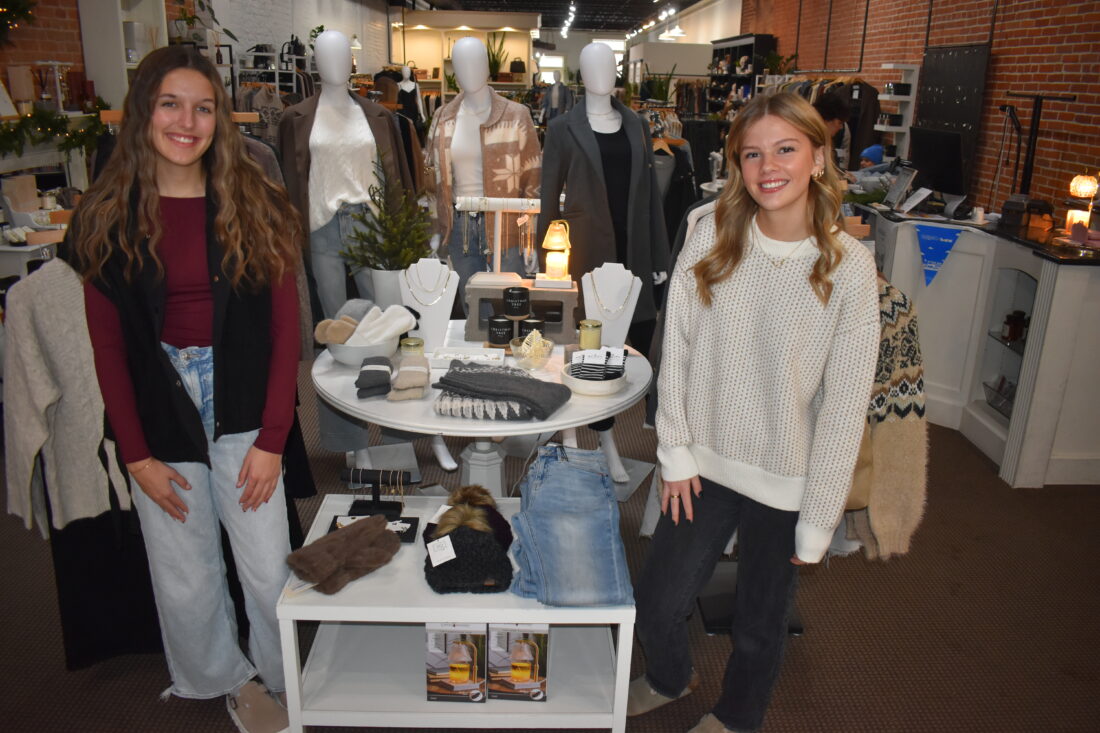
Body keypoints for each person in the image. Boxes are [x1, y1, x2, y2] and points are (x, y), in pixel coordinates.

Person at [68, 46, 301, 733]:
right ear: (144, 111)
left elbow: (285, 328)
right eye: (170, 104)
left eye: (202, 108)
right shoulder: (106, 213)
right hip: (159, 406)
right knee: (185, 569)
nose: (186, 122)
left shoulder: (256, 200)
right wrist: (135, 455)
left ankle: (284, 675)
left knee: (267, 565)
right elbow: (108, 347)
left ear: (219, 119)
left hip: (241, 398)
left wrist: (273, 439)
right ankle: (222, 678)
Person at [630, 92, 879, 733]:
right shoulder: (711, 234)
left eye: (786, 149)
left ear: (818, 158)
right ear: (737, 164)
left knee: (760, 624)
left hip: (787, 478)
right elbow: (678, 349)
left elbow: (845, 406)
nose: (769, 167)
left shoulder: (850, 267)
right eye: (752, 154)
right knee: (656, 601)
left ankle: (739, 717)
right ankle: (670, 676)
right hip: (702, 466)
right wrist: (675, 450)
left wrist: (820, 517)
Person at [813, 91, 852, 170]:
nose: (841, 127)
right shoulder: (812, 143)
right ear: (826, 120)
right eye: (839, 123)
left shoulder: (822, 140)